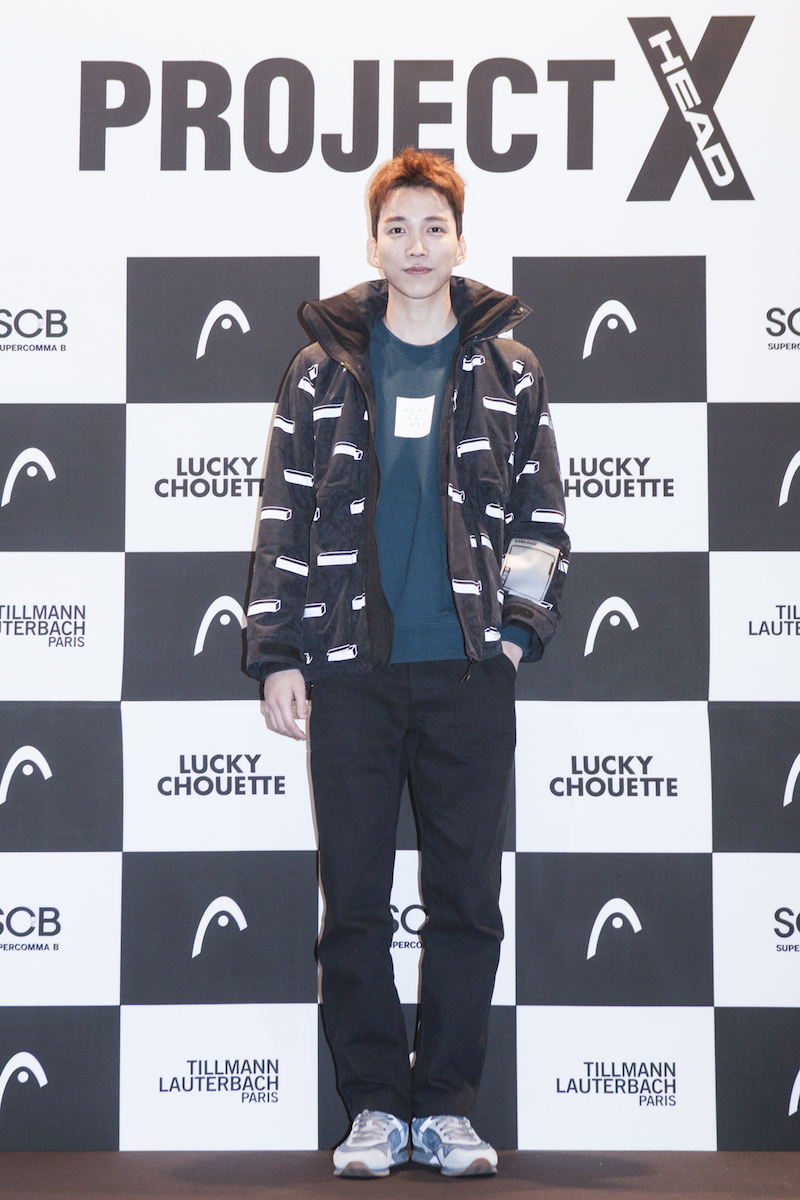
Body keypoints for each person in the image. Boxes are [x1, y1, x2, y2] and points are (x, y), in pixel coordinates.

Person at [246, 148, 569, 1177]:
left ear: (459, 241)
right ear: (373, 242)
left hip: (468, 674)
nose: (417, 246)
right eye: (398, 228)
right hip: (350, 673)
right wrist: (277, 652)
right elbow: (283, 514)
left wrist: (515, 634)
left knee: (465, 901)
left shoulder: (511, 369)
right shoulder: (321, 368)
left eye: (435, 227)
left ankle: (447, 1110)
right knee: (352, 902)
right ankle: (376, 1109)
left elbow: (541, 519)